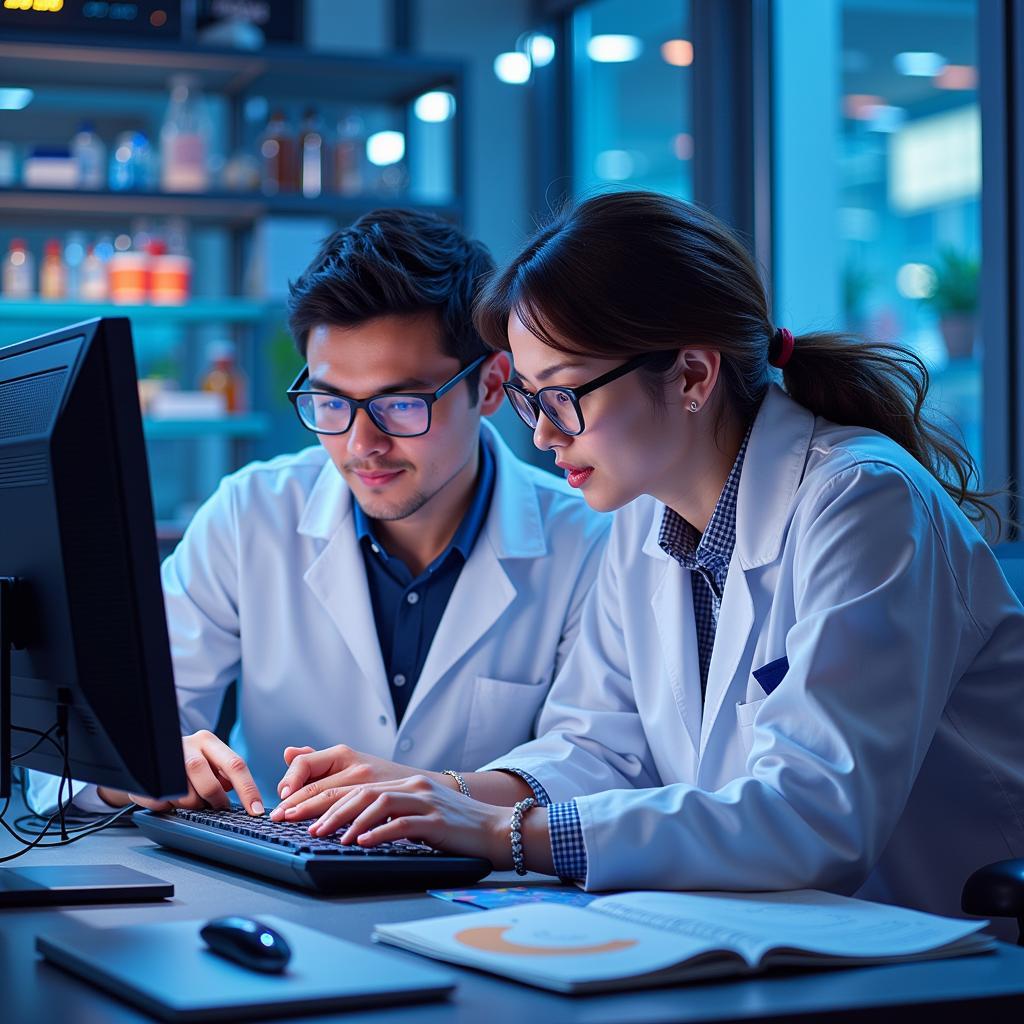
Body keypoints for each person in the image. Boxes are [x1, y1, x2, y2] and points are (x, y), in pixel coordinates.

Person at [270, 191, 1024, 932]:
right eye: (530, 400)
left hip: (926, 945)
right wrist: (438, 793)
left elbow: (813, 812)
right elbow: (604, 749)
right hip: (759, 934)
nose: (541, 436)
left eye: (562, 396)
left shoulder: (863, 501)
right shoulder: (643, 516)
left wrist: (502, 831)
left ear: (693, 376)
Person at [27, 208, 609, 817]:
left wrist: (439, 792)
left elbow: (594, 760)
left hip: (483, 897)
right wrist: (152, 766)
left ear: (490, 386)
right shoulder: (250, 514)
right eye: (330, 402)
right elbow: (87, 738)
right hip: (270, 879)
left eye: (401, 404)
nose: (361, 445)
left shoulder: (586, 541)